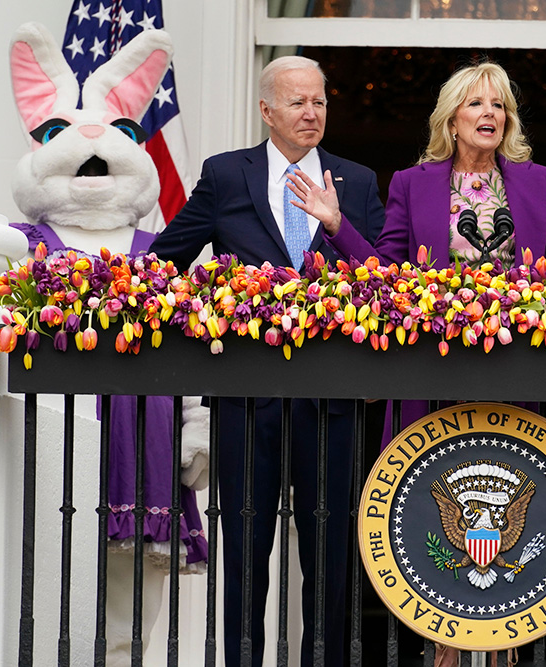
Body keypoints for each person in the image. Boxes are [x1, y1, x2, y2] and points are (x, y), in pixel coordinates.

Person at [288, 60, 546, 438]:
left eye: (499, 105)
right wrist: (337, 226)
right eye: (476, 103)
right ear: (452, 120)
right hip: (437, 359)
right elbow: (387, 272)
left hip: (523, 362)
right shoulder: (411, 183)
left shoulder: (541, 181)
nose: (490, 113)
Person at [149, 56, 385, 666]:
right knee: (246, 554)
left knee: (330, 557)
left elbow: (388, 283)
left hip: (331, 399)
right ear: (266, 111)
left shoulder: (355, 182)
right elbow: (165, 262)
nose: (312, 113)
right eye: (298, 103)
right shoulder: (226, 175)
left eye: (321, 103)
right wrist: (198, 328)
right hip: (247, 396)